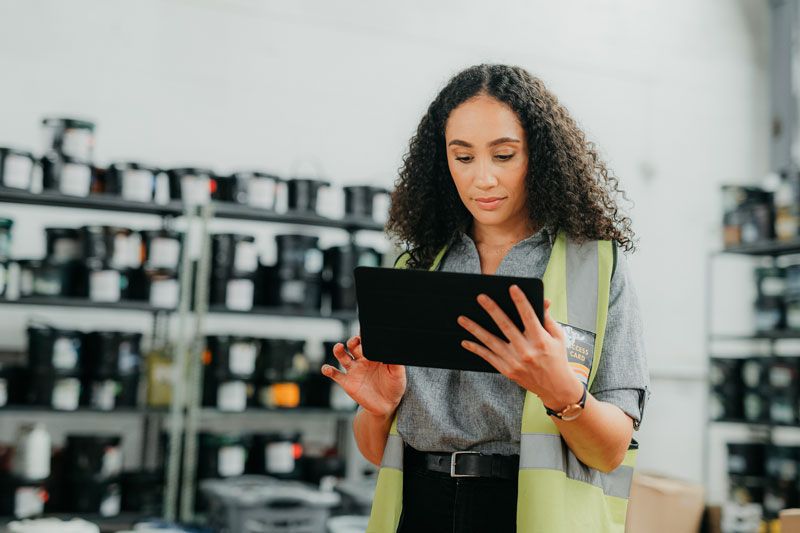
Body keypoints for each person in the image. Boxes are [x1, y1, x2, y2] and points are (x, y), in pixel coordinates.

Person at [321, 64, 650, 533]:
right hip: (421, 510)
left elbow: (610, 451)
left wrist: (558, 388)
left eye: (503, 155)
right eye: (463, 157)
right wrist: (378, 408)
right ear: (443, 162)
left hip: (527, 515)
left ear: (539, 156)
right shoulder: (416, 270)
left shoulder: (596, 269)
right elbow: (377, 451)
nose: (483, 180)